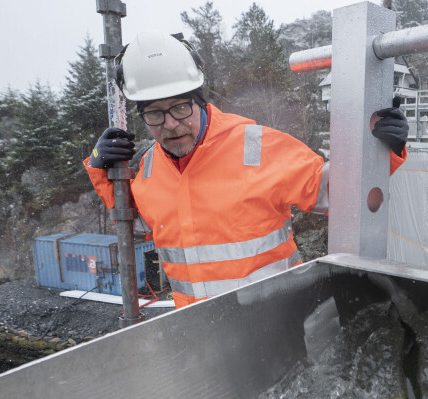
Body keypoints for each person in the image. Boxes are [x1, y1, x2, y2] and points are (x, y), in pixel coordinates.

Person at [85, 32, 408, 308]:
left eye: (181, 108)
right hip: (197, 325)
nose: (170, 124)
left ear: (201, 101)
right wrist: (102, 171)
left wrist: (381, 152)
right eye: (154, 114)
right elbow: (139, 221)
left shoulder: (260, 146)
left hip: (277, 319)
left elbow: (337, 195)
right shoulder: (147, 167)